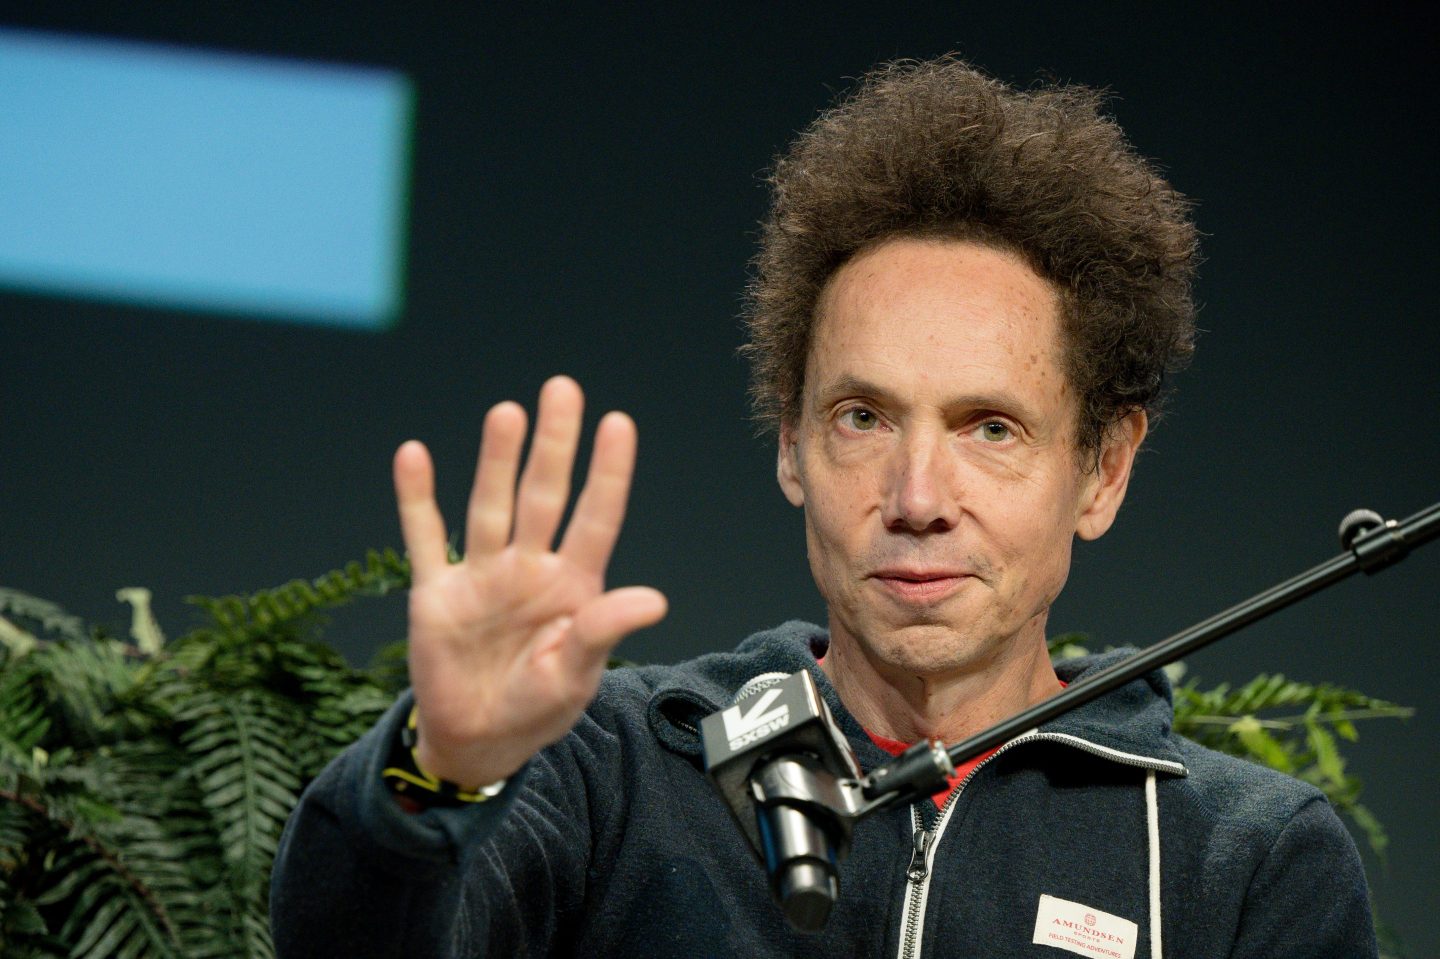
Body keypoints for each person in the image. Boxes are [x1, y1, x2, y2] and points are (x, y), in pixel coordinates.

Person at [269, 57, 1376, 958]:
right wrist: (439, 769)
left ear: (1104, 469)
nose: (917, 497)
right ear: (792, 443)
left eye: (991, 427)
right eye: (863, 417)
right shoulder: (609, 765)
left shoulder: (1248, 860)